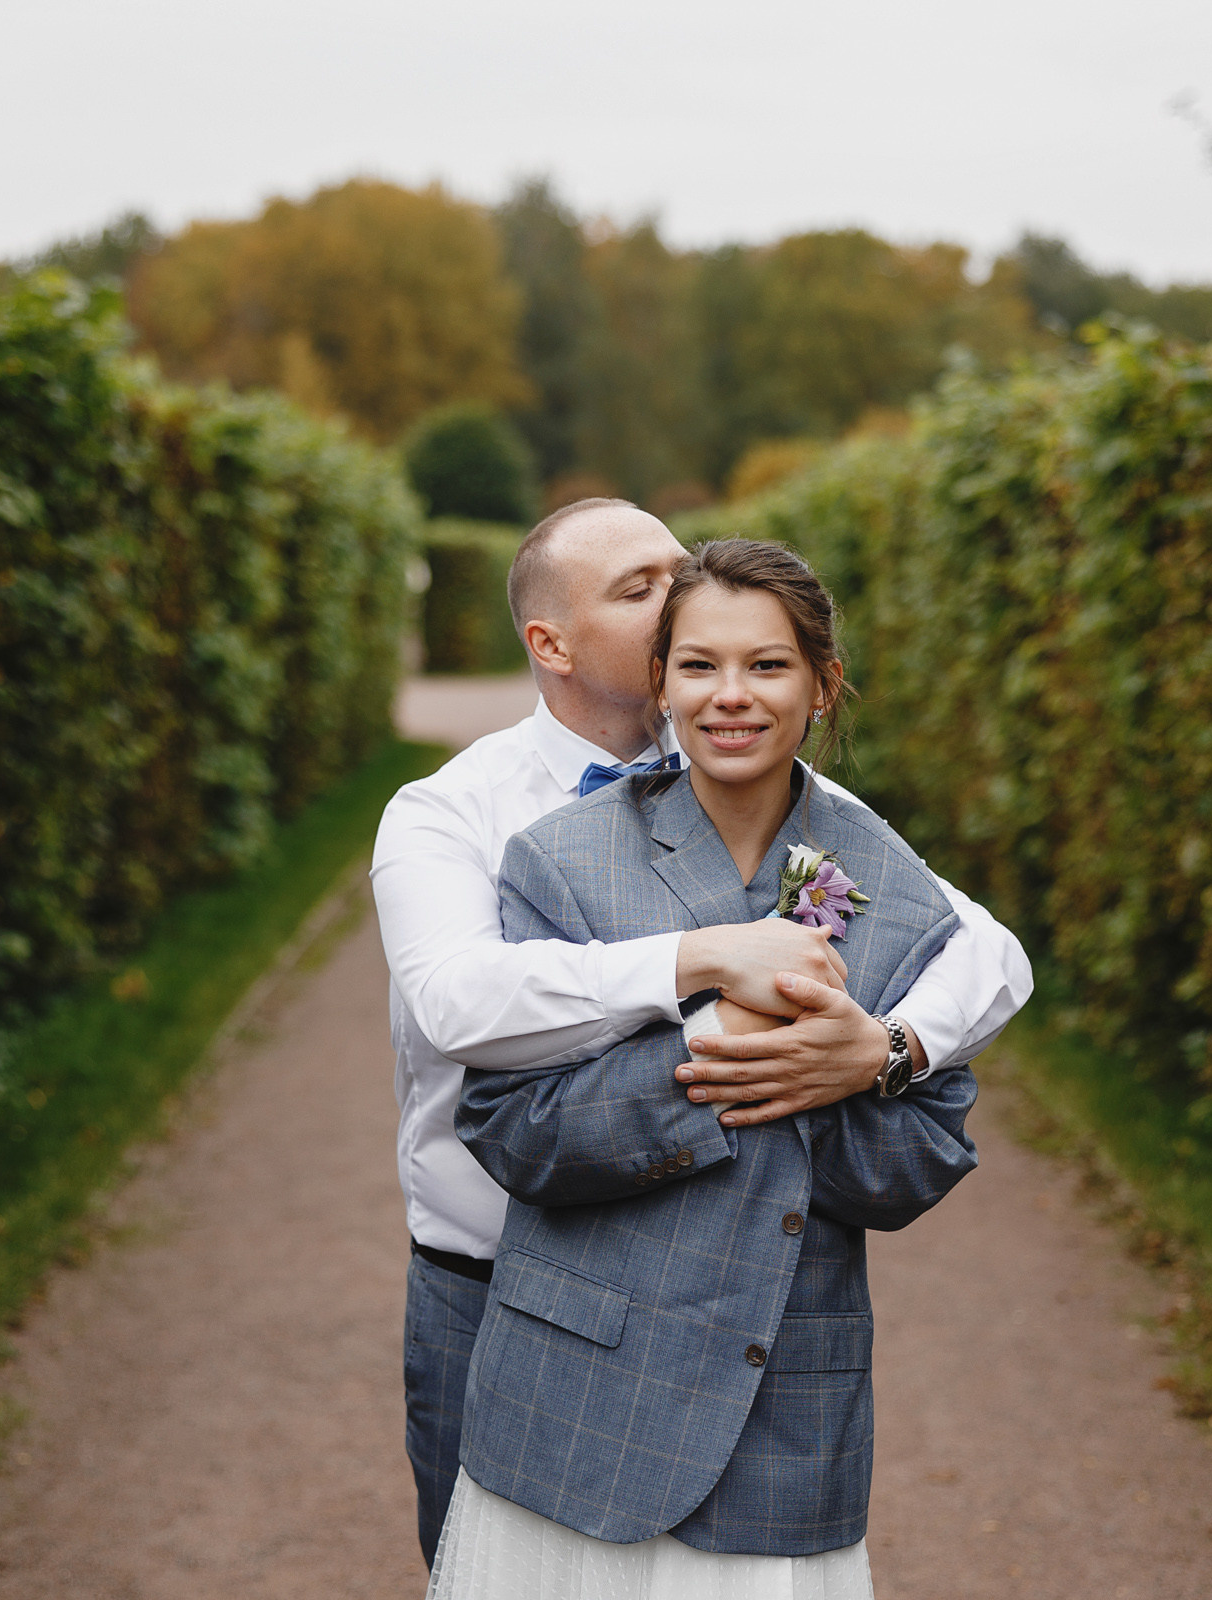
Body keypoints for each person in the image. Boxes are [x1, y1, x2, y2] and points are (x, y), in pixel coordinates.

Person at [372, 501, 1031, 1567]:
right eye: (643, 592)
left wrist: (886, 1050)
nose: (684, 600)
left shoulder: (814, 827)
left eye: (683, 575)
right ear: (553, 643)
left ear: (816, 686)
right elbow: (458, 1005)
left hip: (749, 1308)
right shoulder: (457, 814)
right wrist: (707, 971)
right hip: (501, 1285)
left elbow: (982, 951)